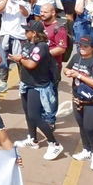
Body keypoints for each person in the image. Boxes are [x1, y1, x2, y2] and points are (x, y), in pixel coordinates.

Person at [11, 20, 64, 160]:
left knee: (35, 115)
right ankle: (33, 139)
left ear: (34, 33)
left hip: (38, 86)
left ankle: (54, 143)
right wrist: (21, 58)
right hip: (26, 83)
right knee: (28, 113)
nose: (24, 32)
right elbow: (25, 57)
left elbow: (31, 64)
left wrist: (19, 59)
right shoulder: (28, 43)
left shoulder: (41, 47)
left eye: (27, 30)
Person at [64, 36, 93, 171]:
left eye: (85, 46)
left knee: (91, 128)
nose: (82, 48)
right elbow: (66, 69)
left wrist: (79, 76)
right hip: (77, 99)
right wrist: (68, 72)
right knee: (82, 127)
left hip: (92, 101)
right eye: (80, 45)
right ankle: (87, 150)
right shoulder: (76, 57)